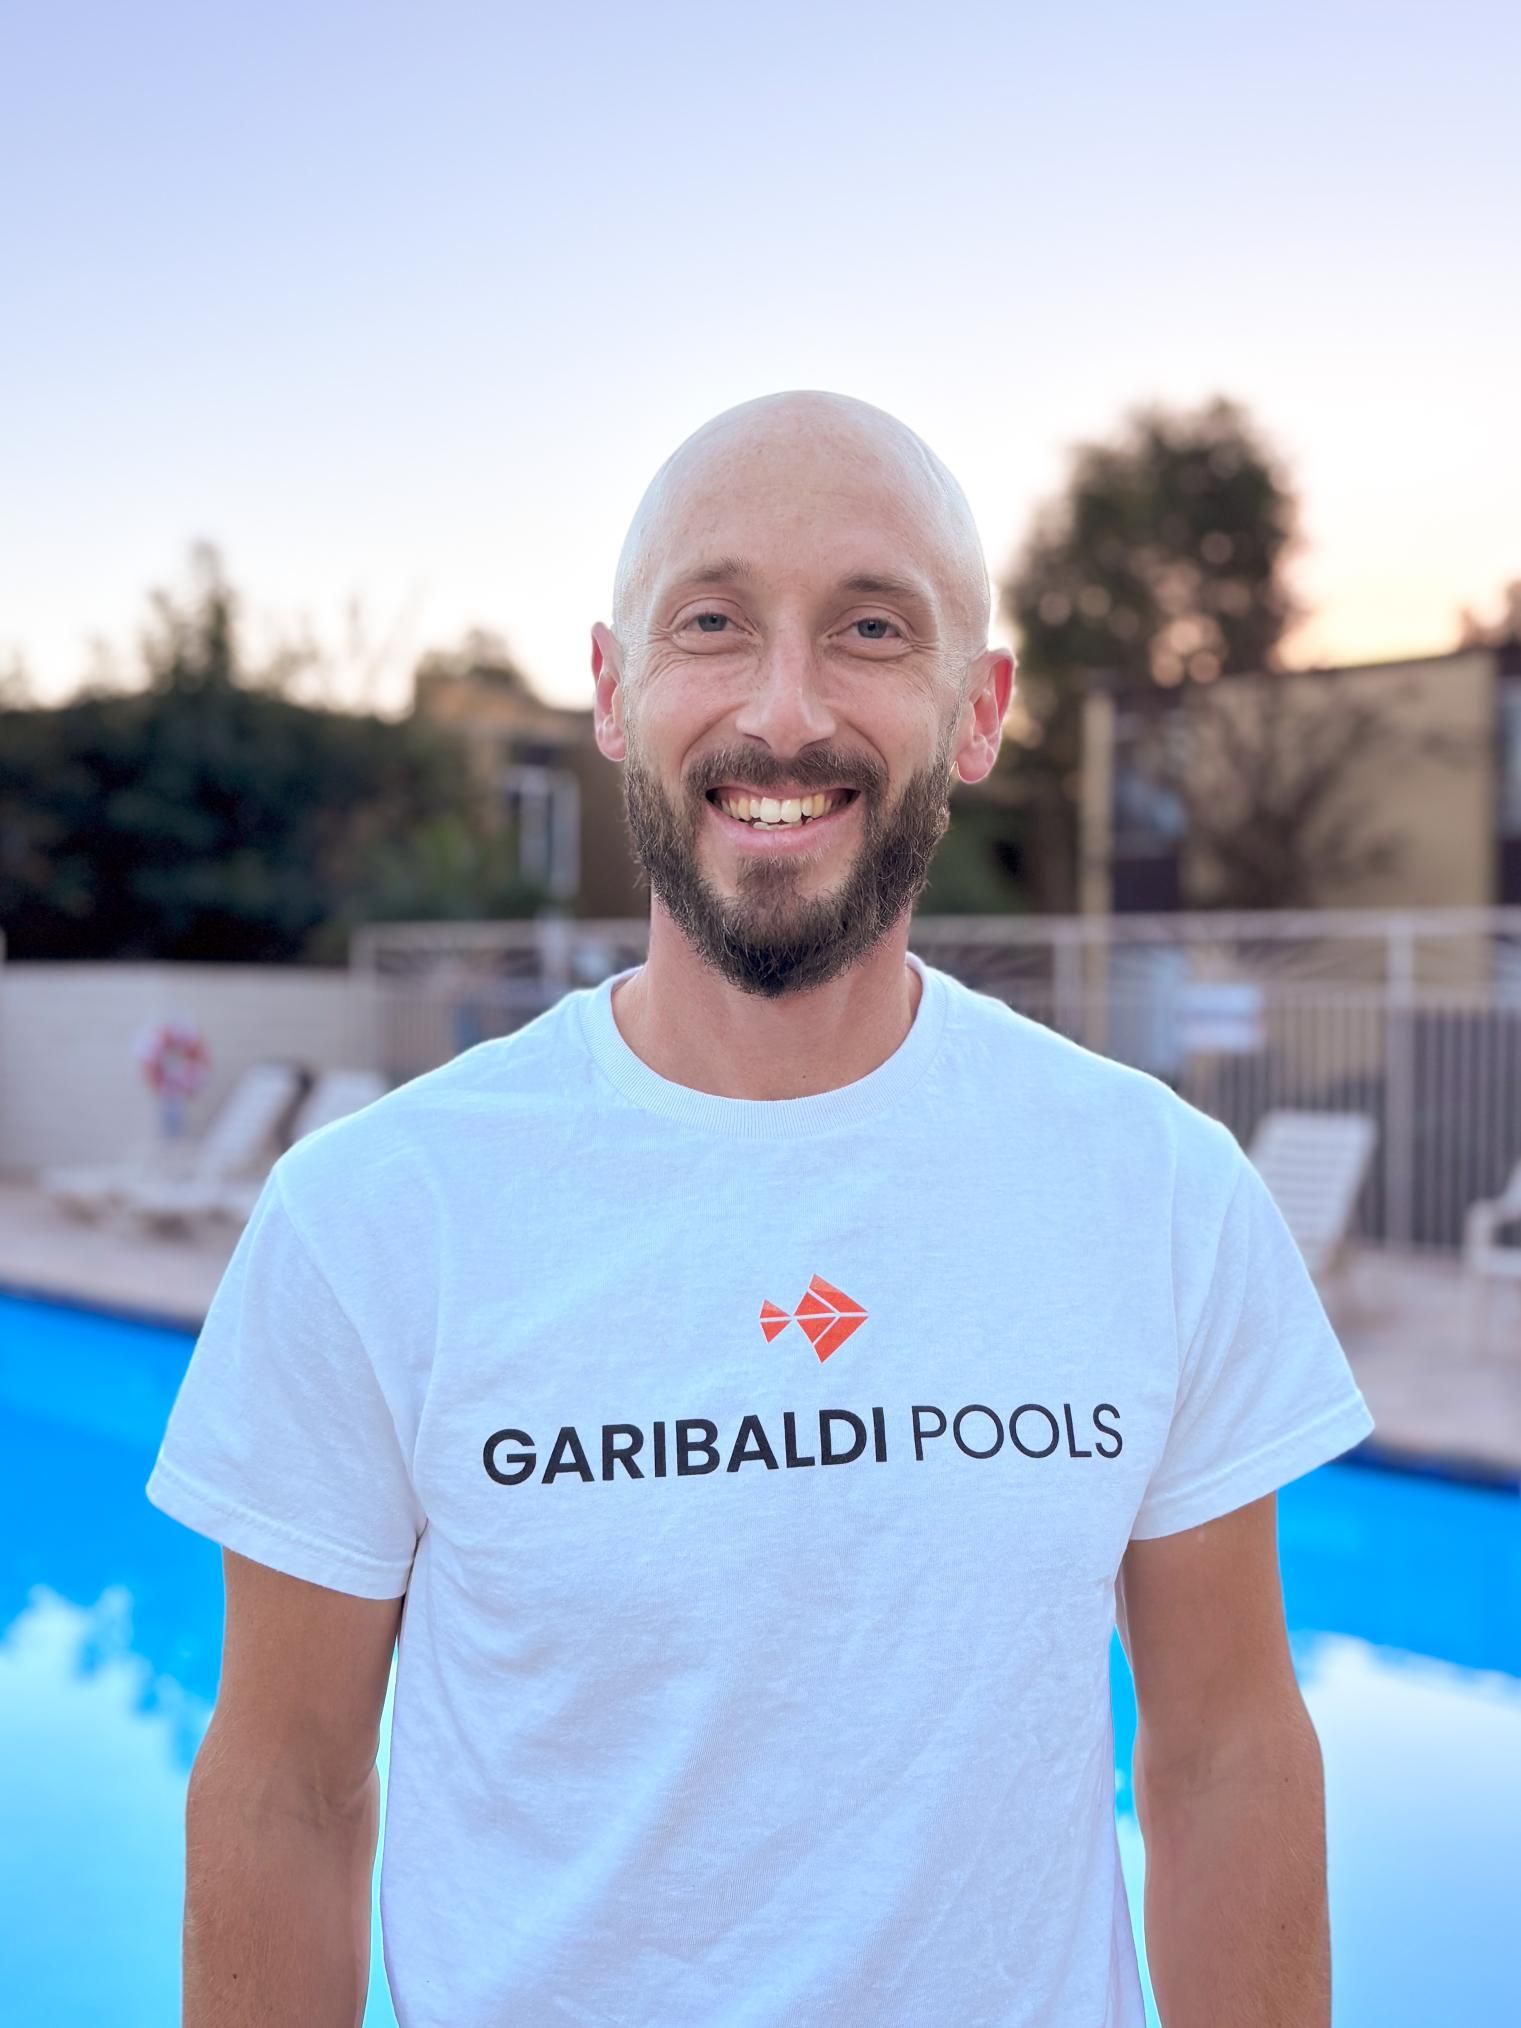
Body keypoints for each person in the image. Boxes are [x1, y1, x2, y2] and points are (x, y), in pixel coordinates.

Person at [147, 389, 1375, 2028]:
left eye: (871, 629)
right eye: (711, 624)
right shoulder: (373, 1217)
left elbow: (1223, 1752)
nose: (782, 713)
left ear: (981, 706)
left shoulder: (1152, 1194)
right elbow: (287, 1790)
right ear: (612, 686)